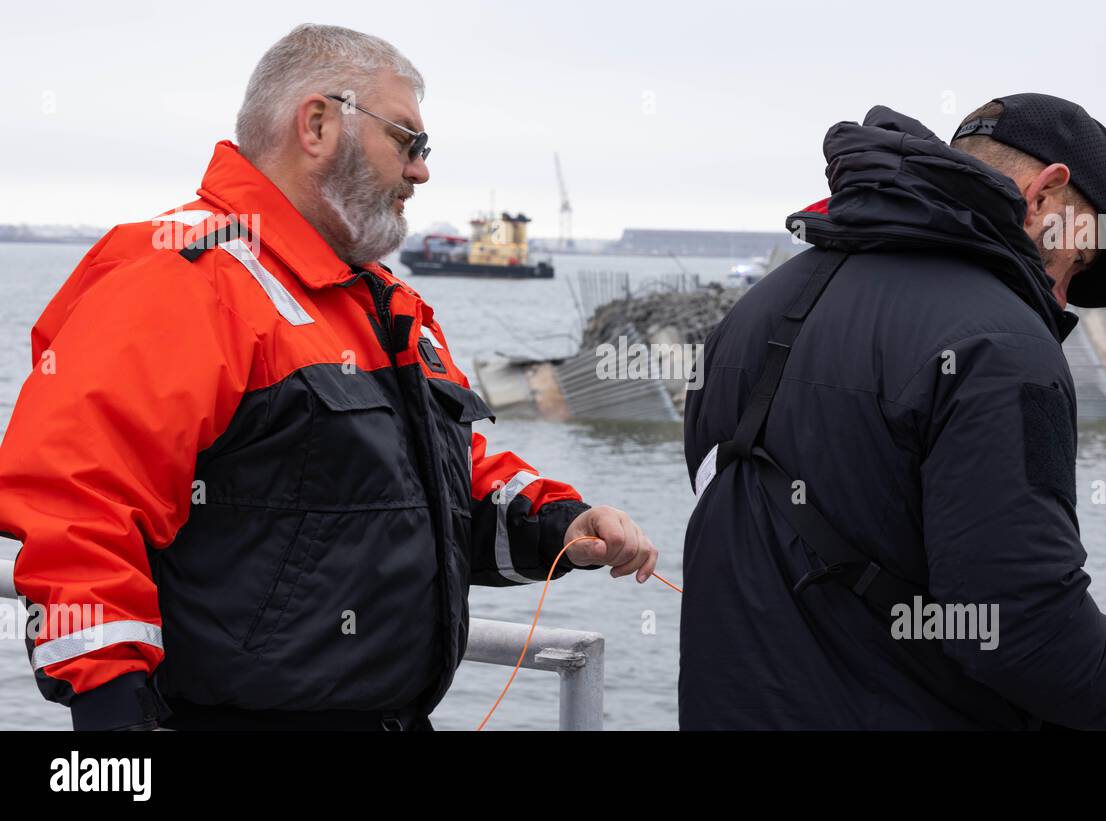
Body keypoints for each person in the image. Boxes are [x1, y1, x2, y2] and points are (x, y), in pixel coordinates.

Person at [0, 24, 657, 731]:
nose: (422, 170)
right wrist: (117, 727)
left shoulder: (384, 304)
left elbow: (438, 487)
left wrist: (563, 523)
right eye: (408, 140)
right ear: (316, 124)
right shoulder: (180, 281)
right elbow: (78, 513)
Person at [679, 93, 1106, 730]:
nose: (1060, 298)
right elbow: (1018, 628)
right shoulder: (1000, 344)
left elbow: (722, 509)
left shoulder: (759, 309)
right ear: (1045, 197)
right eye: (1076, 263)